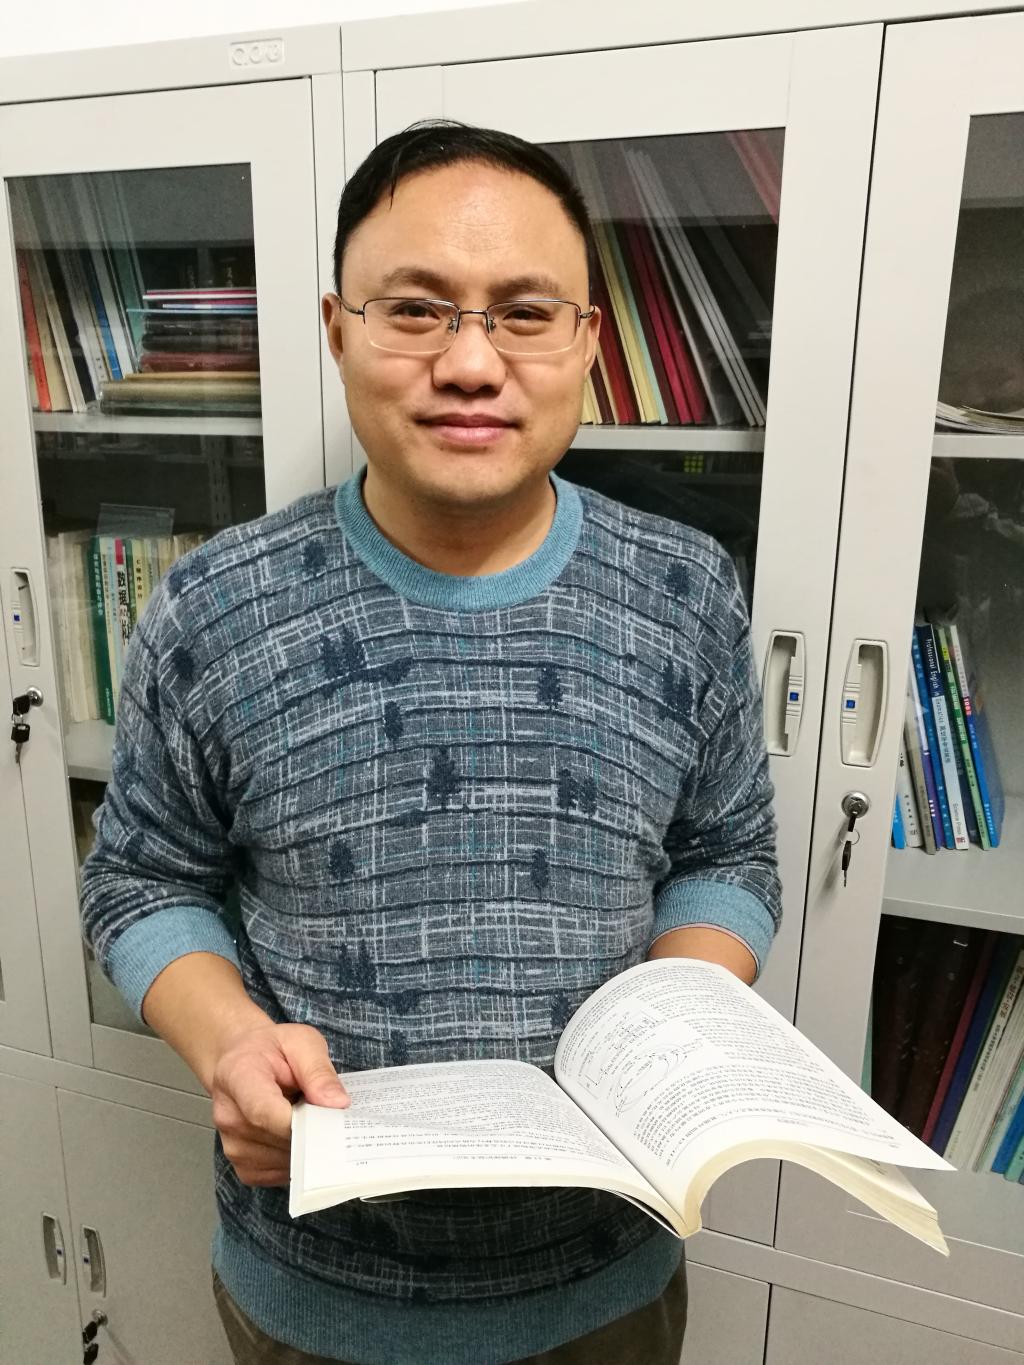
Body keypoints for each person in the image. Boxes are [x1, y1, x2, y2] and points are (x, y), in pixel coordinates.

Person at [80, 120, 782, 1365]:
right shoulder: (215, 604)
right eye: (414, 310)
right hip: (317, 1294)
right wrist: (230, 1042)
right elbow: (141, 877)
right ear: (336, 328)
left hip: (608, 1283)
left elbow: (727, 853)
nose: (469, 362)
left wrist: (672, 1027)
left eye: (524, 313)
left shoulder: (685, 590)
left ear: (587, 343)